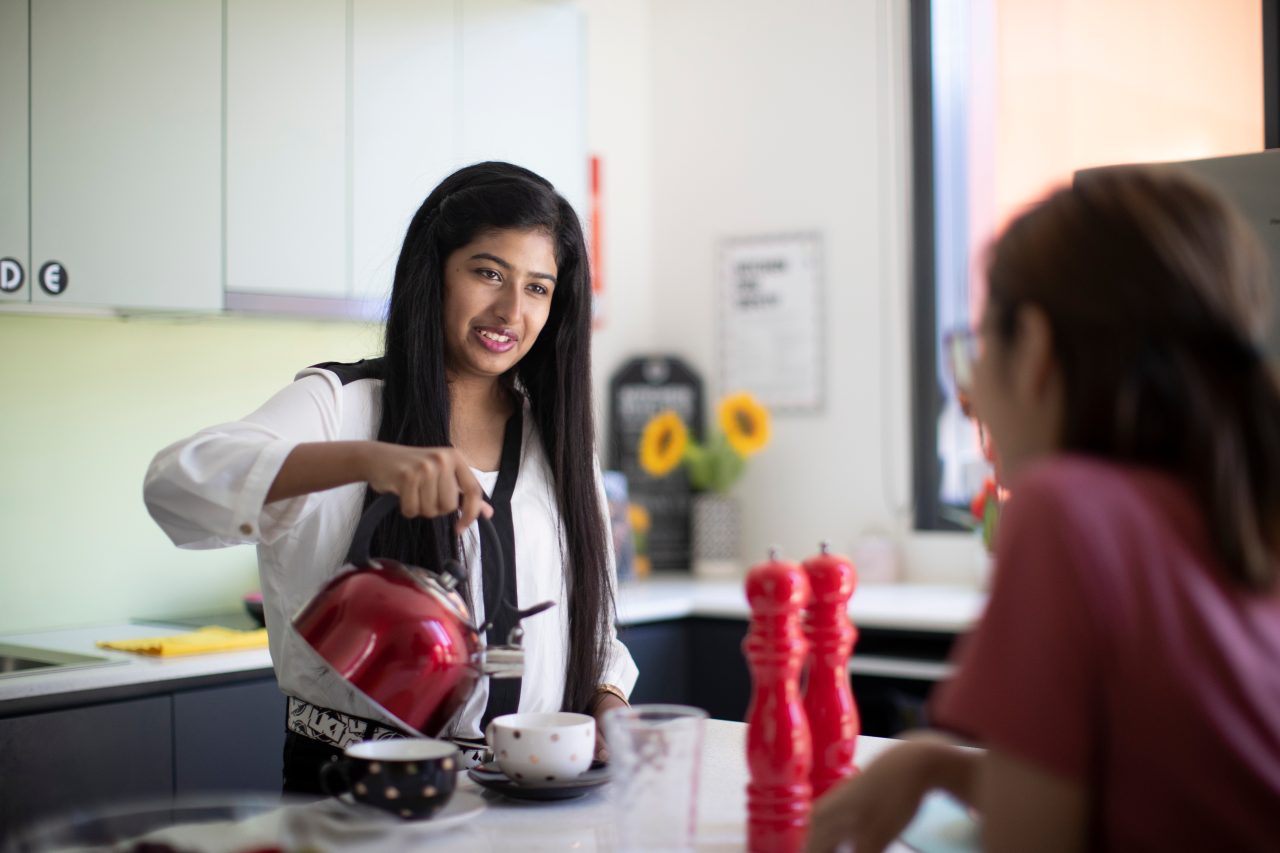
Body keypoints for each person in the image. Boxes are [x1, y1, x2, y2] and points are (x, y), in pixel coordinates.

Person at [807, 166, 1280, 852]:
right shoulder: (1228, 502)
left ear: (1031, 349)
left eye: (979, 348)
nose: (973, 399)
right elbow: (1163, 784)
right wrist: (937, 763)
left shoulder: (1070, 510)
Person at [144, 161, 637, 794]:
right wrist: (369, 459)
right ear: (435, 273)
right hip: (361, 796)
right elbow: (175, 488)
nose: (512, 310)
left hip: (537, 794)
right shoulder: (341, 404)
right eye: (488, 273)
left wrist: (609, 700)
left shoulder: (559, 440)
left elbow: (592, 626)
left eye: (538, 287)